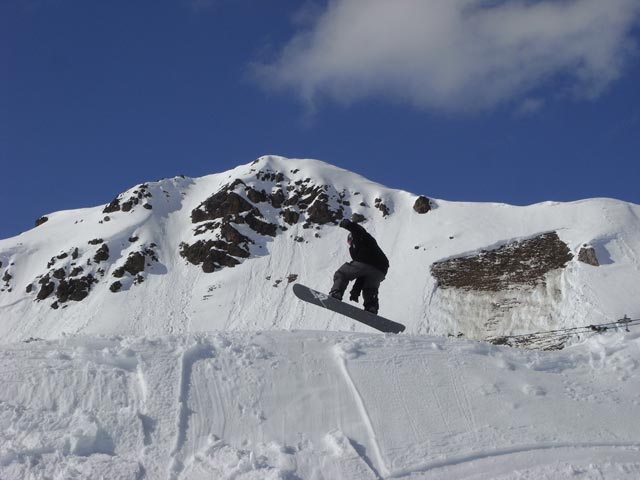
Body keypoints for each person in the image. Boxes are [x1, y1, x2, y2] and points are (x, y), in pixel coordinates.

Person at [329, 218, 389, 314]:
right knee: (369, 288)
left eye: (349, 241)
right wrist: (355, 290)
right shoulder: (368, 243)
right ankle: (371, 306)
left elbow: (358, 230)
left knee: (342, 273)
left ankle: (336, 292)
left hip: (367, 261)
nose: (350, 244)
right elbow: (362, 274)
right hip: (381, 269)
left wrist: (348, 225)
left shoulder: (360, 238)